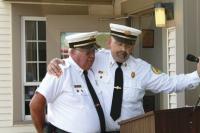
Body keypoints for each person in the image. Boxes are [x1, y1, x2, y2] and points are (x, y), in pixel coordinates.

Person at [47, 23, 200, 132]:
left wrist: (198, 75)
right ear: (109, 42)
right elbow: (75, 62)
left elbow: (171, 83)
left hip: (135, 129)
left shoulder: (142, 68)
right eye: (119, 44)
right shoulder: (96, 59)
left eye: (128, 46)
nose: (123, 50)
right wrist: (56, 63)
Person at [29, 31, 106, 133]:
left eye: (93, 51)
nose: (92, 56)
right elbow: (35, 104)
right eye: (88, 52)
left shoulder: (89, 72)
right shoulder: (60, 71)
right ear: (72, 52)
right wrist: (42, 131)